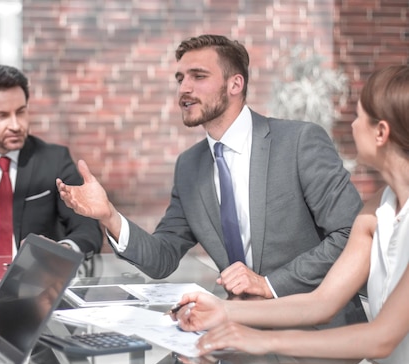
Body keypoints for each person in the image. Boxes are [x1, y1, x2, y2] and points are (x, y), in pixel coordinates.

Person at [56, 34, 365, 325]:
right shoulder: (190, 166)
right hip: (240, 329)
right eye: (180, 79)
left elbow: (350, 233)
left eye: (198, 76)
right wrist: (109, 215)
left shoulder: (298, 142)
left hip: (316, 327)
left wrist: (269, 284)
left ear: (235, 84)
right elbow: (162, 257)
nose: (184, 89)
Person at [172, 65, 409, 364]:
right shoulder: (377, 207)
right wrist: (222, 309)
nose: (350, 126)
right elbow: (320, 303)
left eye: (358, 117)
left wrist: (260, 338)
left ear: (380, 132)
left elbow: (381, 338)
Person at [0, 64, 103, 278]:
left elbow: (88, 229)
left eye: (21, 112)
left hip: (45, 289)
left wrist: (61, 251)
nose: (16, 125)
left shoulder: (55, 161)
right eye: (2, 115)